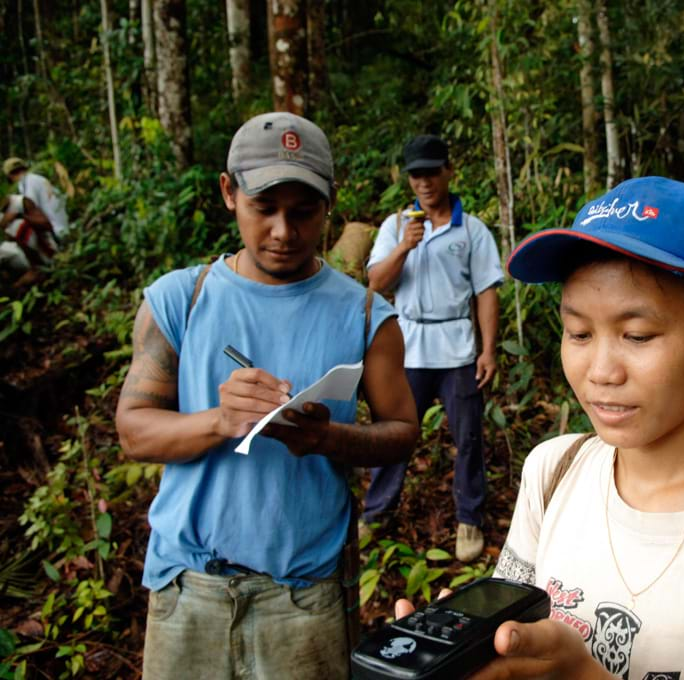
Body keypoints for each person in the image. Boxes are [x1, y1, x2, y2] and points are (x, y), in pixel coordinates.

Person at [399, 177, 684, 679]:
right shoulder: (554, 471)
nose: (602, 371)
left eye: (637, 335)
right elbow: (517, 647)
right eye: (578, 332)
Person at [115, 112, 419, 680]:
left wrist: (327, 437)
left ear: (331, 202)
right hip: (188, 588)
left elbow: (402, 432)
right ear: (229, 193)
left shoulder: (365, 316)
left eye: (303, 212)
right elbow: (134, 431)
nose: (283, 231)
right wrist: (219, 420)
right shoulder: (180, 299)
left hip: (303, 599)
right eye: (265, 208)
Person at [363, 134, 504, 562]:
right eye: (416, 175)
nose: (424, 182)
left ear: (448, 171)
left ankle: (469, 520)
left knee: (468, 437)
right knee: (393, 431)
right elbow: (375, 282)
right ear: (409, 179)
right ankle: (375, 513)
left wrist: (489, 350)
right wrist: (406, 244)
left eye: (431, 172)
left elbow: (486, 291)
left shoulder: (472, 230)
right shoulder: (395, 226)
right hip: (408, 345)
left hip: (457, 347)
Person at [4, 157, 69, 240]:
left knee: (16, 224)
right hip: (64, 224)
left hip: (58, 231)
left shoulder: (27, 183)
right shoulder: (36, 178)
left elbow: (29, 208)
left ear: (10, 176)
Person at [1, 193, 59, 274]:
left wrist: (20, 215)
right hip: (26, 256)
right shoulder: (4, 218)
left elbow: (46, 224)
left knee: (17, 226)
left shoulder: (19, 203)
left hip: (47, 253)